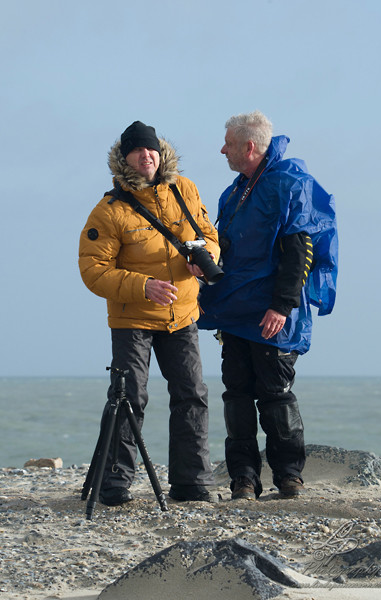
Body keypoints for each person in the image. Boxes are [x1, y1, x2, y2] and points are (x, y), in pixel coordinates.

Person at [79, 120, 220, 506]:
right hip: (133, 320)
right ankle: (115, 483)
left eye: (151, 149)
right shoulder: (108, 211)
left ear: (161, 152)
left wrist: (203, 260)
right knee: (130, 397)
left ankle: (191, 484)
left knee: (192, 394)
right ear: (124, 158)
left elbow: (209, 235)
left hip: (183, 314)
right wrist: (144, 286)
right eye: (138, 151)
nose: (147, 155)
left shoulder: (185, 189)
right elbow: (93, 270)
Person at [198, 110, 338, 500]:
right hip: (234, 309)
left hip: (273, 312)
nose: (221, 149)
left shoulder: (290, 183)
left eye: (228, 142)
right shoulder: (234, 191)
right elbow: (224, 248)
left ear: (249, 146)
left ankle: (289, 475)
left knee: (275, 394)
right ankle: (243, 477)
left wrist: (282, 306)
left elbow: (301, 249)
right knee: (237, 394)